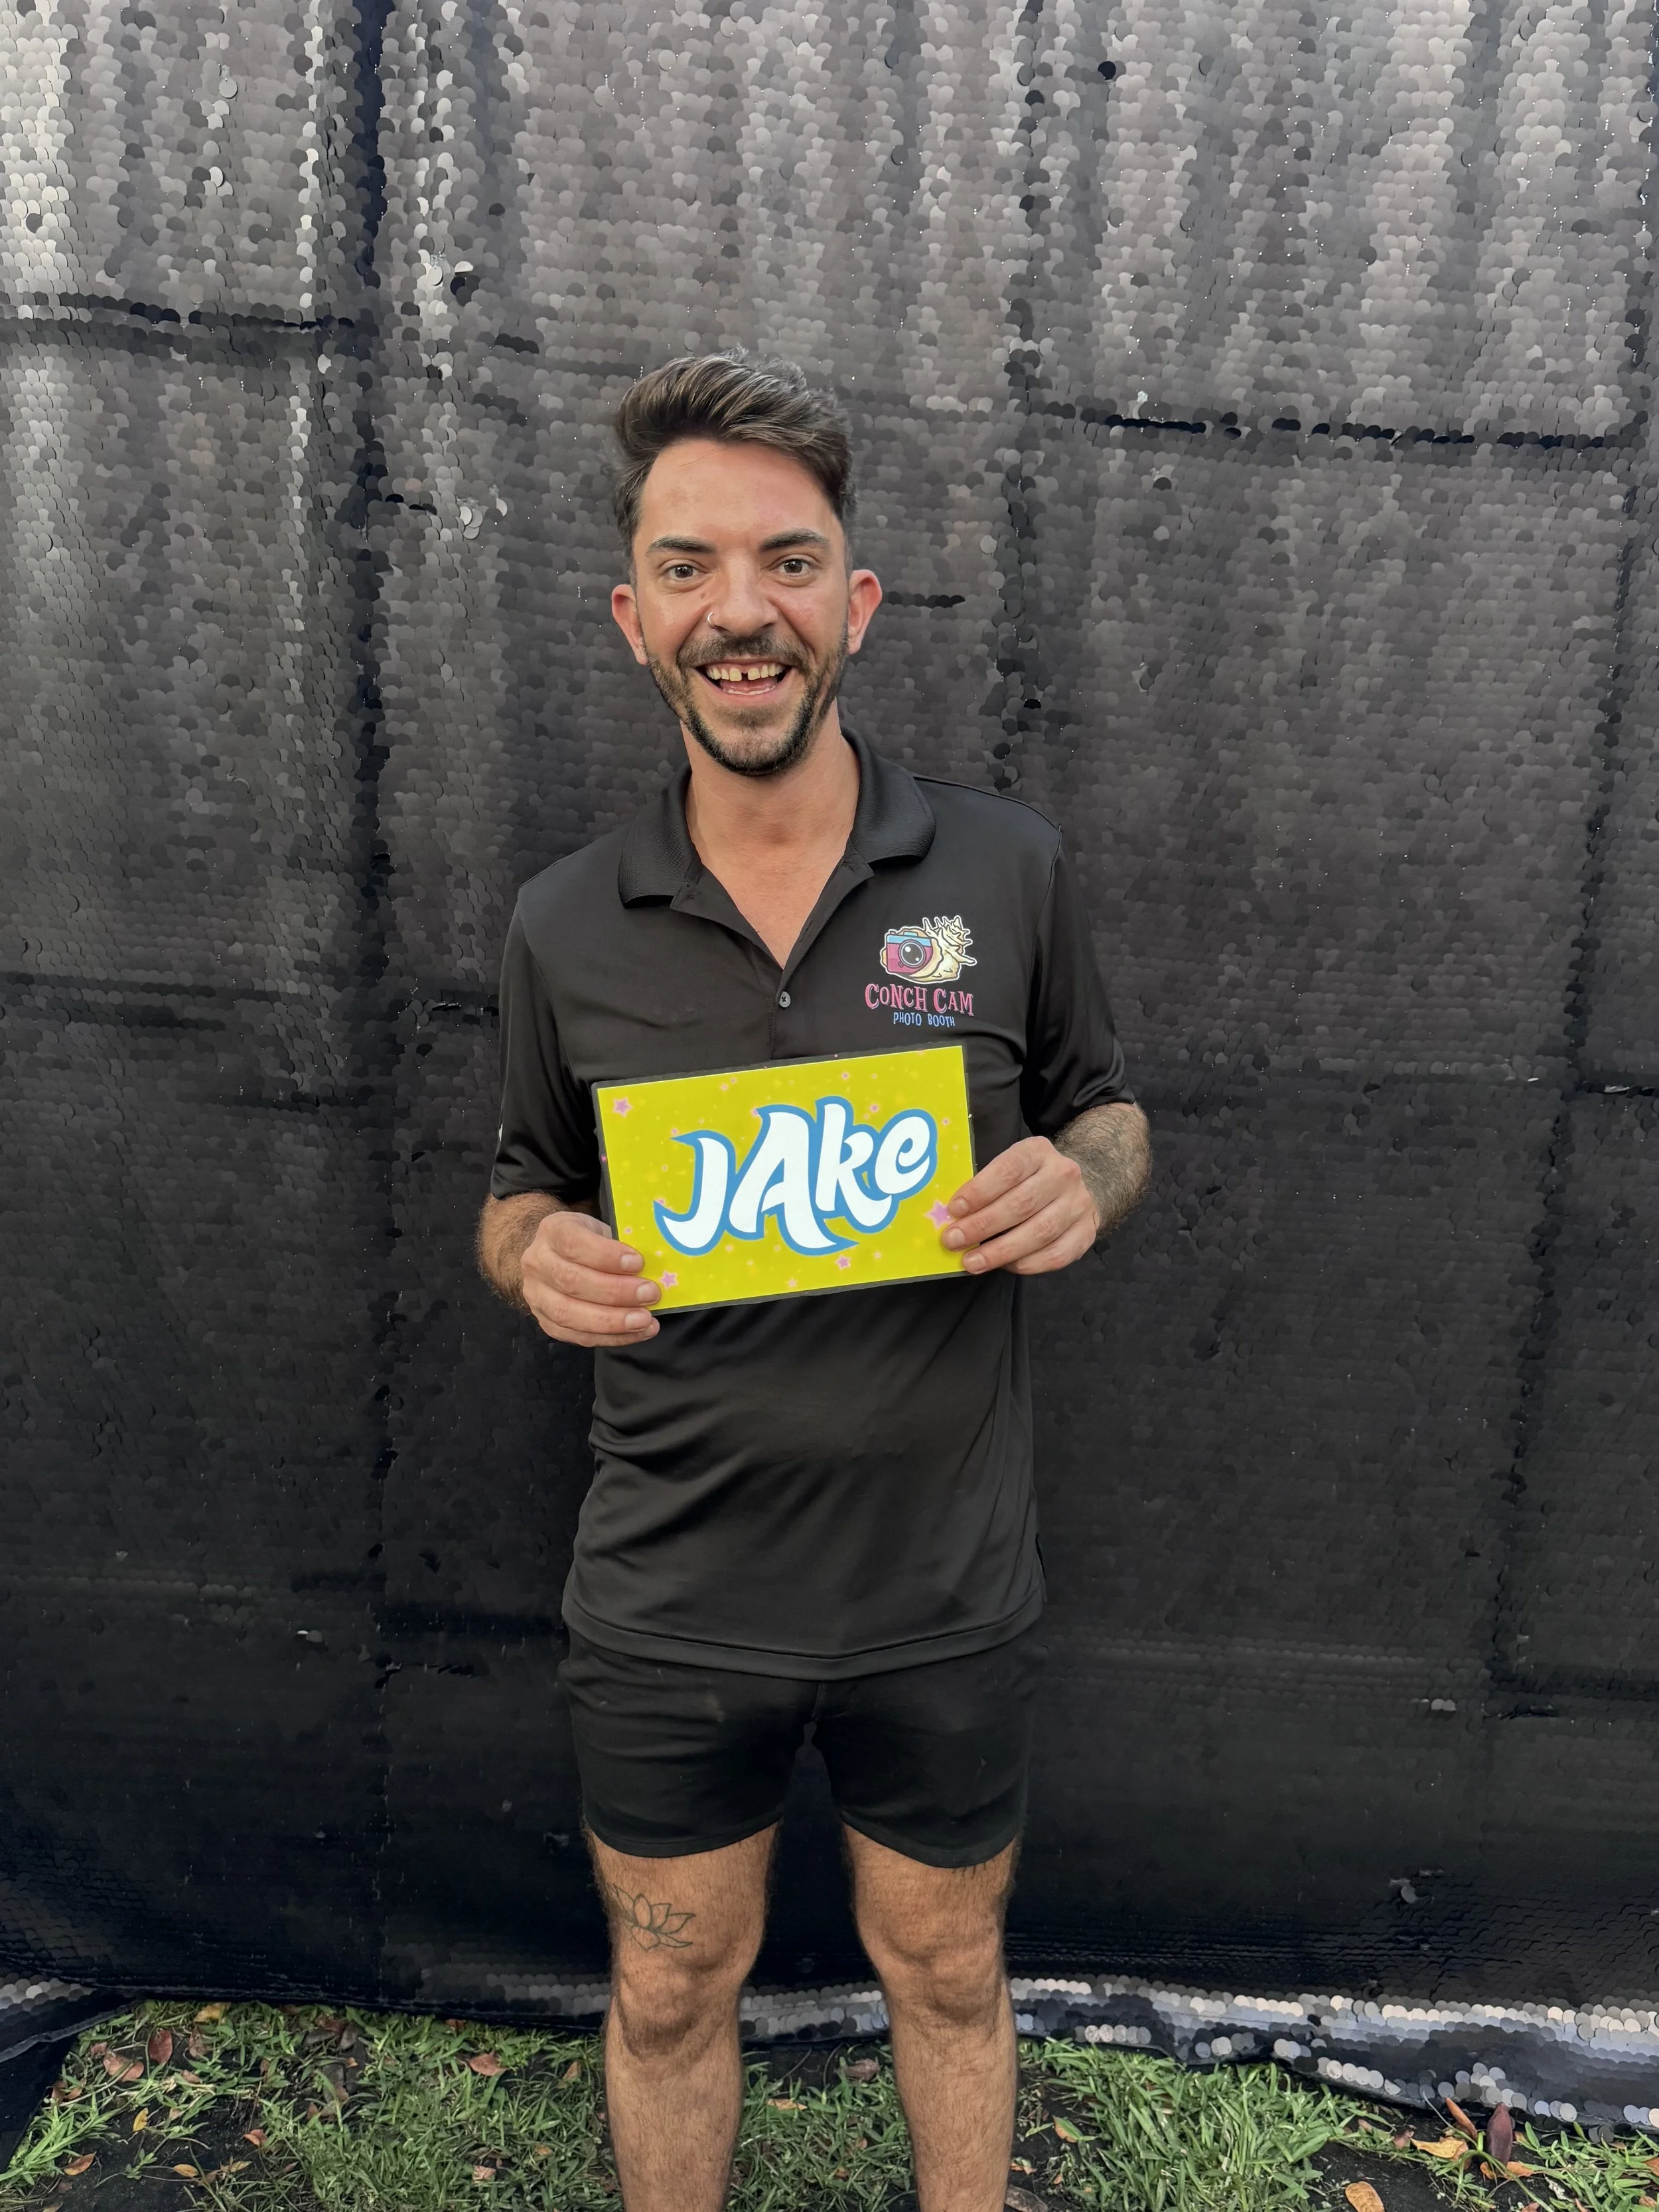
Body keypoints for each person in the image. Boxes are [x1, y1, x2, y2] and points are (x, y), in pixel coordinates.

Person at [477, 350, 1151, 2212]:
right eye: (687, 568)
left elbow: (1108, 1112)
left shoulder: (1003, 871)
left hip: (939, 1585)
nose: (739, 608)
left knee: (942, 1964)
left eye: (786, 561)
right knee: (672, 1977)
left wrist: (1077, 1182)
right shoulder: (561, 923)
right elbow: (518, 1187)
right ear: (635, 620)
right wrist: (540, 1256)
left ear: (851, 603)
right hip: (674, 1590)